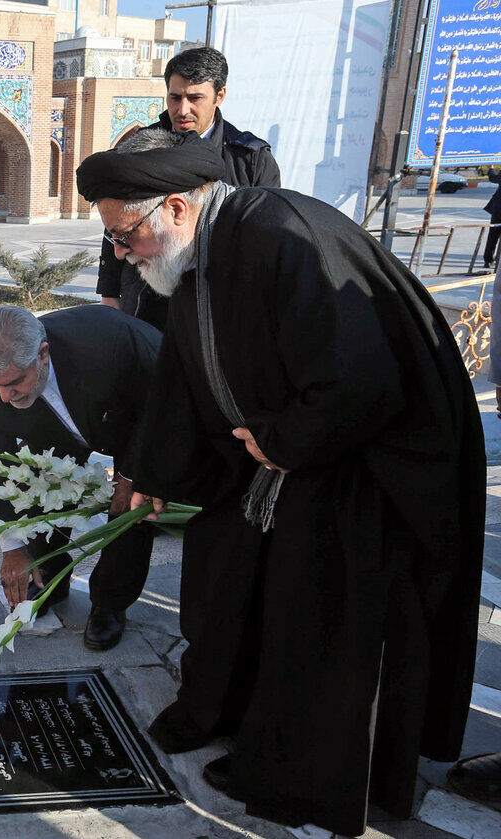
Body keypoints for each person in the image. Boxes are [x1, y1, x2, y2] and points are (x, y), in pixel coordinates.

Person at [75, 128, 484, 835]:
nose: (122, 252)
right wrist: (150, 471)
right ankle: (225, 715)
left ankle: (298, 773)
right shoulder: (198, 252)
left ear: (175, 207)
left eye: (125, 233)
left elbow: (361, 377)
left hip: (365, 463)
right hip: (282, 454)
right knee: (220, 572)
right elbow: (183, 374)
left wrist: (280, 442)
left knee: (310, 613)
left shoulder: (278, 234)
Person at [0, 305, 161, 650]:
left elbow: (157, 410)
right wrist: (13, 546)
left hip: (133, 418)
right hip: (54, 428)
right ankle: (49, 576)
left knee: (130, 506)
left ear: (42, 354)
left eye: (12, 384)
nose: (5, 399)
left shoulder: (109, 345)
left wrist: (130, 476)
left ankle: (111, 602)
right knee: (39, 483)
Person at [98, 47, 280, 331]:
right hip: (145, 299)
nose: (182, 110)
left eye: (195, 98)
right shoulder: (140, 148)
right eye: (175, 97)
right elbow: (117, 224)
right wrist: (109, 295)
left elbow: (265, 242)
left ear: (219, 96)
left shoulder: (250, 159)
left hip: (214, 306)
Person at [484, 166, 500, 270]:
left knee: (493, 237)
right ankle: (489, 260)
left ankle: (488, 260)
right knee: (493, 237)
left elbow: (493, 178)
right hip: (498, 211)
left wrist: (491, 169)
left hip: (498, 211)